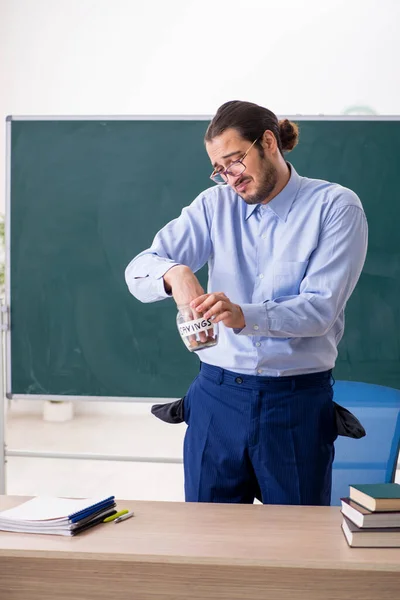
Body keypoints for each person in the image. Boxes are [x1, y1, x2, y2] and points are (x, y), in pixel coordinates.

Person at [125, 100, 368, 506]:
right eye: (219, 169)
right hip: (216, 400)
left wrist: (243, 315)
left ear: (268, 142)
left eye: (234, 161)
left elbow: (320, 310)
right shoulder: (213, 205)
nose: (229, 178)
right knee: (207, 545)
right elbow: (138, 269)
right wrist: (175, 274)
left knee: (295, 550)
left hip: (296, 405)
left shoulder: (336, 207)